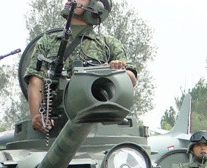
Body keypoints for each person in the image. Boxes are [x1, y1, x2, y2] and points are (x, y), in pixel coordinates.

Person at [24, 0, 137, 133]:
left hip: (96, 125)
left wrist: (115, 71)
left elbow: (131, 79)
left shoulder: (108, 44)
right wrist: (37, 116)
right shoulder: (48, 41)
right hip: (55, 126)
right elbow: (35, 80)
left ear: (96, 7)